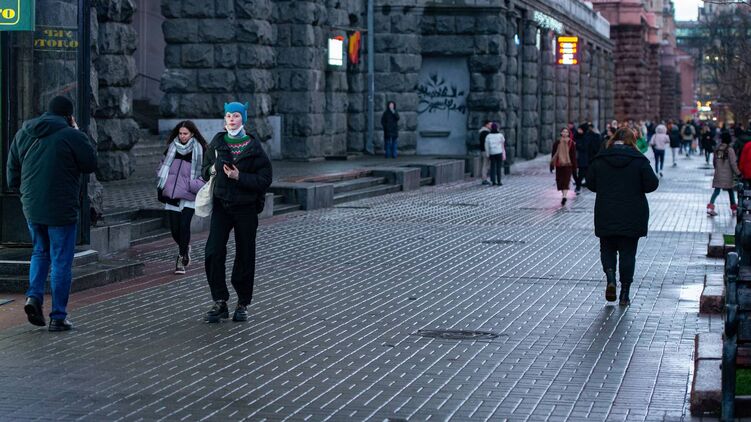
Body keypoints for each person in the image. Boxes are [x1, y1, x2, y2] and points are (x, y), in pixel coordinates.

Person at [5, 96, 97, 331]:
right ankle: (58, 316)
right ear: (69, 115)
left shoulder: (24, 132)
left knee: (39, 251)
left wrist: (23, 192)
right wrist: (77, 131)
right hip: (61, 208)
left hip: (32, 205)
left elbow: (12, 170)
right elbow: (90, 163)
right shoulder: (71, 135)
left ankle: (33, 297)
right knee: (61, 261)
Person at [202, 102, 272, 323]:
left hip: (246, 207)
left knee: (245, 253)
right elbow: (204, 171)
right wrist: (212, 169)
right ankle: (219, 301)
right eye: (228, 115)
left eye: (236, 116)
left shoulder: (253, 147)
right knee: (213, 251)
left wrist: (239, 177)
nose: (231, 119)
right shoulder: (217, 143)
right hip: (222, 205)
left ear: (243, 119)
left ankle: (242, 303)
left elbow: (265, 179)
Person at [586, 128, 659, 306]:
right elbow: (651, 184)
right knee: (628, 253)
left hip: (606, 211)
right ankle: (625, 294)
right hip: (632, 214)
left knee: (607, 249)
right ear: (632, 140)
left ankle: (611, 279)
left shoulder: (601, 159)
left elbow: (590, 183)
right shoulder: (639, 160)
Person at [157, 121, 208, 274]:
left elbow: (206, 171)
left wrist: (196, 184)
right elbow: (162, 165)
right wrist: (162, 180)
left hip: (189, 194)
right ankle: (185, 247)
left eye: (185, 133)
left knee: (184, 226)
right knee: (174, 230)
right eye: (180, 133)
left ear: (192, 133)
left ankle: (181, 258)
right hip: (173, 194)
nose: (182, 136)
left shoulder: (200, 149)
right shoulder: (171, 148)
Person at [707, 132, 740, 216]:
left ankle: (710, 207)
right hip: (728, 175)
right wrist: (738, 173)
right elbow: (733, 163)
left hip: (718, 174)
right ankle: (734, 209)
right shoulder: (730, 150)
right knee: (730, 191)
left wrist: (717, 169)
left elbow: (714, 162)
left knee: (716, 191)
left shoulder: (717, 149)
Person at [550, 127, 577, 206]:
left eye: (566, 132)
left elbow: (573, 156)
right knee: (560, 181)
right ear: (561, 133)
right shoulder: (557, 143)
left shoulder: (571, 143)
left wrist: (574, 167)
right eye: (563, 132)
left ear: (568, 134)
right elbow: (553, 154)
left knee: (566, 181)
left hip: (568, 165)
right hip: (559, 165)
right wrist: (552, 165)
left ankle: (564, 196)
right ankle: (563, 194)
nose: (565, 133)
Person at [574, 123, 590, 194]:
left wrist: (577, 145)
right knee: (574, 173)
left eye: (580, 129)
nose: (578, 130)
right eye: (578, 129)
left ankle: (578, 186)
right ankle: (578, 184)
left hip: (582, 158)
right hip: (574, 157)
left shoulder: (586, 137)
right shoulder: (576, 135)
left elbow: (584, 147)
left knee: (581, 173)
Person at [477, 120, 492, 185]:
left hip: (483, 150)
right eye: (490, 124)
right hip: (485, 150)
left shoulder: (483, 132)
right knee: (485, 165)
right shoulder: (485, 132)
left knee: (485, 164)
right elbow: (486, 143)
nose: (491, 126)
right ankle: (484, 179)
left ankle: (484, 178)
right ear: (486, 125)